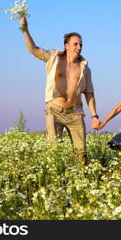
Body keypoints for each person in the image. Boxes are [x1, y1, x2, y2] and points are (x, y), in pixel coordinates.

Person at [20, 17, 100, 164]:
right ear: (66, 45)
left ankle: (79, 179)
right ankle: (55, 179)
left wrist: (94, 116)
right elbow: (33, 50)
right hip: (54, 111)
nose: (79, 47)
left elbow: (89, 93)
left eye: (81, 44)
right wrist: (25, 30)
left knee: (81, 152)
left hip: (75, 113)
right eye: (75, 44)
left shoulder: (85, 68)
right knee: (53, 149)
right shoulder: (54, 57)